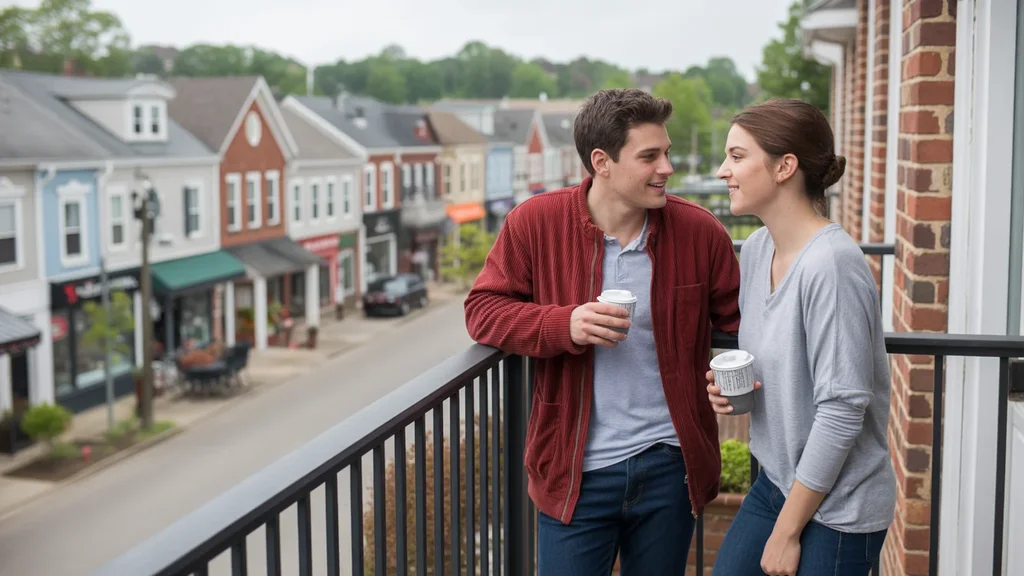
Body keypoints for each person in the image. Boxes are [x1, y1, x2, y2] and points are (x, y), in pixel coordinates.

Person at [464, 88, 742, 575]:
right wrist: (562, 323)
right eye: (649, 156)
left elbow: (744, 326)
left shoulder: (700, 232)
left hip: (670, 465)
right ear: (602, 162)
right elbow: (482, 310)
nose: (667, 169)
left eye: (667, 153)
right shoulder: (535, 223)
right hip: (574, 471)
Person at [707, 98, 895, 576]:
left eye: (737, 155)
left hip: (839, 505)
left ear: (785, 166)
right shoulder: (755, 251)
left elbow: (842, 408)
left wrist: (787, 533)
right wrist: (739, 393)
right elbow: (781, 363)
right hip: (777, 481)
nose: (721, 170)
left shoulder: (832, 267)